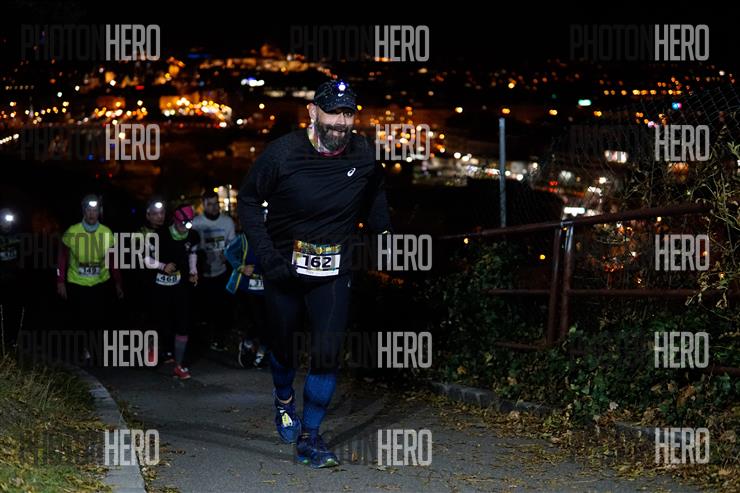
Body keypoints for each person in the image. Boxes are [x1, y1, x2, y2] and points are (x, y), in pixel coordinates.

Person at [238, 79, 392, 468]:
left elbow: (375, 190)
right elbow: (249, 201)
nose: (341, 122)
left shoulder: (363, 153)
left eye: (348, 113)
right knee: (282, 347)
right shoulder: (282, 154)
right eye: (333, 113)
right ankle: (283, 396)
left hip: (334, 270)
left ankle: (310, 436)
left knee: (326, 353)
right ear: (312, 112)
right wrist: (268, 257)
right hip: (284, 269)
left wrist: (382, 229)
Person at [56, 195, 124, 363]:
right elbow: (62, 258)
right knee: (80, 318)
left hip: (100, 282)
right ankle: (82, 349)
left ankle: (95, 348)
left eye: (95, 210)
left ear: (99, 212)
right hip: (77, 282)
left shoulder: (106, 232)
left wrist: (118, 282)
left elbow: (113, 260)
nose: (92, 214)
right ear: (83, 211)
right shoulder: (72, 231)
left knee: (99, 317)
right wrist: (60, 281)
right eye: (89, 210)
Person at [145, 204, 200, 379]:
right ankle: (154, 350)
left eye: (189, 223)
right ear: (175, 221)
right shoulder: (159, 235)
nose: (185, 227)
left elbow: (192, 254)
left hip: (179, 284)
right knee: (160, 322)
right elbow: (145, 259)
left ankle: (179, 365)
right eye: (182, 223)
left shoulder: (193, 235)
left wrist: (193, 271)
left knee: (183, 323)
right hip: (159, 286)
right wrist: (162, 266)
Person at [192, 190, 235, 351]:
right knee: (204, 307)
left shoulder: (227, 222)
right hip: (202, 272)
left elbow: (233, 244)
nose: (214, 207)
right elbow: (190, 247)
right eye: (209, 204)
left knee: (222, 307)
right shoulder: (196, 223)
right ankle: (203, 340)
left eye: (216, 203)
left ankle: (220, 338)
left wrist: (228, 254)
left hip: (221, 271)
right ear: (203, 205)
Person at [224, 230, 267, 368]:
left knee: (267, 321)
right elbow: (228, 252)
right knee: (254, 320)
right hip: (247, 287)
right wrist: (241, 267)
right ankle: (248, 343)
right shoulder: (243, 238)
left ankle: (263, 350)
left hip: (266, 287)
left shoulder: (271, 237)